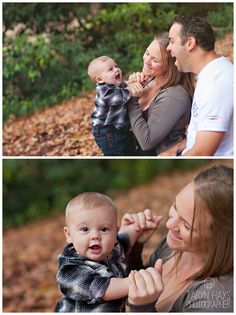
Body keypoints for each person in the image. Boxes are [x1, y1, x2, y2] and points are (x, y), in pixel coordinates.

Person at [122, 165, 233, 312]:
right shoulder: (172, 248)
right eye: (175, 207)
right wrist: (131, 249)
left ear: (222, 238)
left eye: (187, 226)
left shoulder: (215, 298)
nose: (169, 224)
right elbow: (137, 287)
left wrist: (142, 308)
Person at [55, 192, 161, 312]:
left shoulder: (113, 248)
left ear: (115, 232)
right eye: (85, 229)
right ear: (69, 235)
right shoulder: (71, 269)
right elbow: (104, 289)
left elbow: (126, 239)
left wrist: (138, 228)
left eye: (104, 229)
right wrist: (138, 281)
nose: (95, 236)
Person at [167, 16, 233, 156]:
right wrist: (177, 148)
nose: (168, 48)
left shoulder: (216, 83)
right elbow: (201, 136)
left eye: (172, 41)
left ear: (190, 43)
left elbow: (203, 151)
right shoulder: (211, 74)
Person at [127, 32, 194, 156]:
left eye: (155, 60)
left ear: (170, 67)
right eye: (147, 53)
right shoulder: (149, 80)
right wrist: (129, 87)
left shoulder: (174, 96)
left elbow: (147, 143)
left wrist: (132, 101)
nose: (146, 61)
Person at [88, 56, 142, 156]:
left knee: (129, 148)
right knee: (117, 152)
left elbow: (125, 84)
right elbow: (119, 96)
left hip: (120, 128)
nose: (116, 69)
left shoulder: (116, 84)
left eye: (116, 66)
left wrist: (133, 82)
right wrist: (132, 89)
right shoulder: (104, 91)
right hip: (107, 132)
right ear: (100, 79)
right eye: (110, 69)